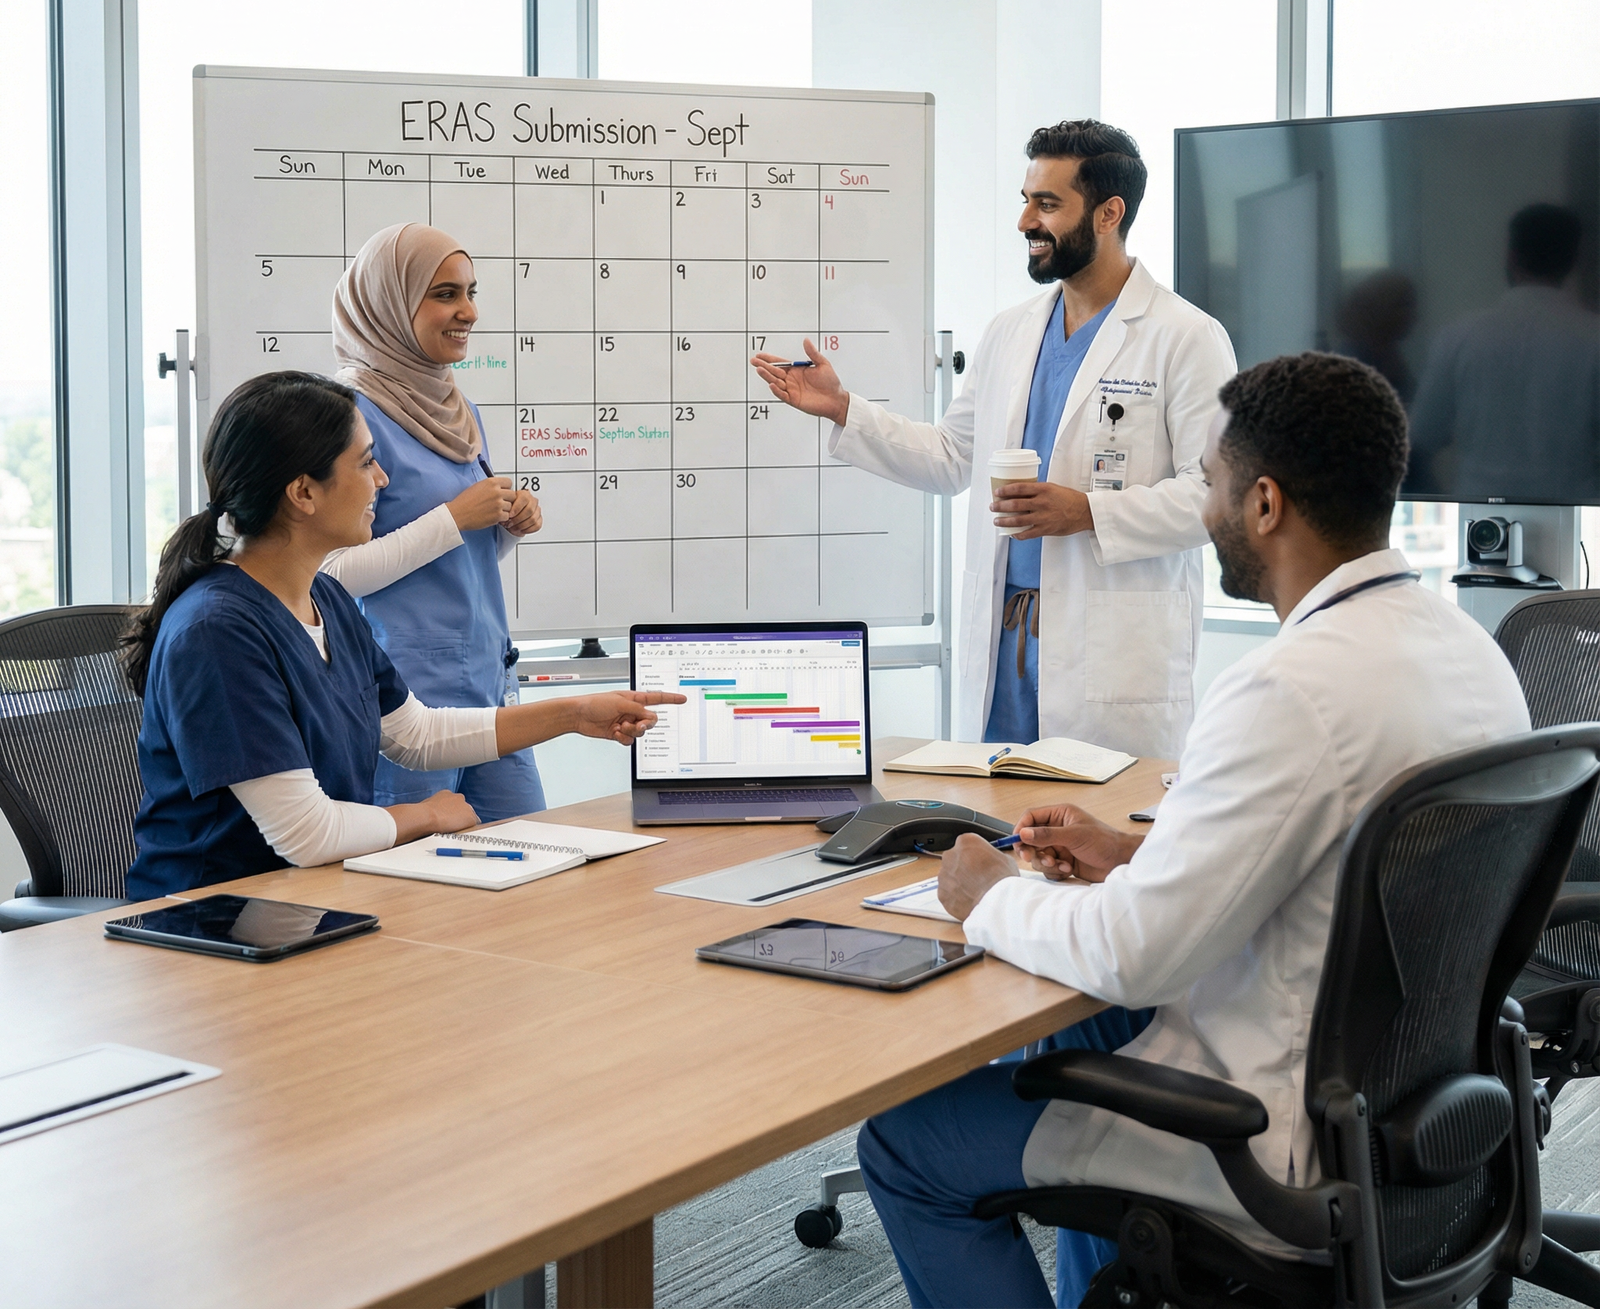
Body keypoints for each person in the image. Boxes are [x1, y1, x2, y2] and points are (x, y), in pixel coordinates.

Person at [854, 352, 1531, 1309]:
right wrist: (1136, 853)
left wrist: (989, 896)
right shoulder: (1467, 650)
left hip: (1264, 1141)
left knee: (904, 1143)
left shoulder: (1288, 688)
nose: (1205, 511)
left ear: (1265, 503)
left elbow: (1137, 959)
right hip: (1402, 1118)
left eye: (1211, 484)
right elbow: (1347, 858)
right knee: (1088, 1017)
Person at [753, 119, 1236, 762]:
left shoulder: (1185, 337)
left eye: (1048, 204)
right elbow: (953, 458)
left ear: (1109, 213)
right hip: (1006, 646)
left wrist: (1088, 512)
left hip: (1109, 659)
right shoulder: (1011, 331)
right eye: (1026, 200)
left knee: (1098, 820)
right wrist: (844, 410)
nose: (1025, 222)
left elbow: (1215, 498)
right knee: (997, 814)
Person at [123, 371, 682, 900]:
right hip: (212, 919)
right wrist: (427, 815)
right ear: (304, 493)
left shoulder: (326, 600)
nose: (382, 480)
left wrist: (574, 714)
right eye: (367, 463)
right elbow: (306, 834)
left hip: (307, 903)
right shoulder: (218, 632)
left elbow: (415, 734)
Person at [325, 222, 545, 824]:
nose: (468, 311)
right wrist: (454, 516)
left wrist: (504, 526)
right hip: (404, 700)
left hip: (489, 684)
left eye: (471, 292)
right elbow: (327, 577)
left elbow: (458, 559)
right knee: (418, 876)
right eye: (445, 294)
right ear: (388, 305)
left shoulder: (457, 407)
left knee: (535, 852)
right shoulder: (345, 412)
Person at [1408, 203, 1600, 503]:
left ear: (1511, 257)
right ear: (1573, 261)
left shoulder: (1459, 335)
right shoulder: (1593, 337)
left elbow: (1424, 433)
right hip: (1573, 508)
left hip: (1480, 508)